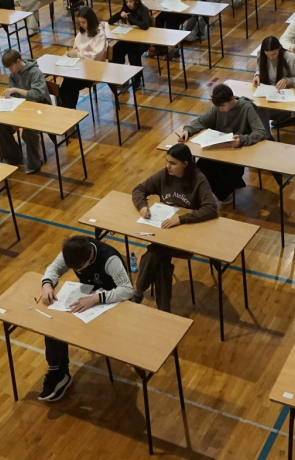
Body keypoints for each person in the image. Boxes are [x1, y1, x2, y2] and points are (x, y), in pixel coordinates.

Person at [37, 235, 134, 401]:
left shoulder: (109, 259)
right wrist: (46, 284)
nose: (78, 271)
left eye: (80, 267)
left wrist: (96, 298)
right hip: (88, 299)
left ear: (90, 255)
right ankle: (58, 371)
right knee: (54, 323)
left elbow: (127, 290)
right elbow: (54, 268)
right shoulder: (72, 250)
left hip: (111, 302)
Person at [130, 143, 220, 310]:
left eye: (173, 163)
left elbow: (211, 208)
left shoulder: (198, 179)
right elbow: (139, 189)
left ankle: (138, 290)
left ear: (185, 164)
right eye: (167, 161)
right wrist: (142, 206)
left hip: (187, 238)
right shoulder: (164, 175)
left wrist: (182, 219)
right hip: (164, 234)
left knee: (154, 253)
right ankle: (164, 310)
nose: (168, 166)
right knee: (161, 263)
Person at [178, 84, 270, 203]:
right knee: (199, 167)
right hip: (220, 148)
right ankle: (226, 193)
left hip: (238, 152)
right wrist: (188, 130)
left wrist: (242, 140)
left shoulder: (246, 108)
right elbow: (202, 121)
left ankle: (231, 189)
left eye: (222, 106)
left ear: (231, 99)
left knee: (221, 169)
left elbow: (260, 131)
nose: (220, 109)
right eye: (218, 106)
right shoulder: (217, 107)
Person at [0, 49, 51, 174]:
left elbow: (37, 95)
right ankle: (12, 156)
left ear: (18, 61)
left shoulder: (35, 72)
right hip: (22, 109)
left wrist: (16, 90)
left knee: (28, 131)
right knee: (0, 124)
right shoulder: (13, 74)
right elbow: (13, 95)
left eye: (11, 67)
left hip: (39, 109)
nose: (10, 70)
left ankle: (35, 162)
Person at [57, 6, 108, 110]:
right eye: (80, 22)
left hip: (94, 70)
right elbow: (76, 48)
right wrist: (71, 54)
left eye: (84, 22)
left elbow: (95, 56)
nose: (81, 25)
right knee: (66, 83)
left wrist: (78, 54)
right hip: (80, 67)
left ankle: (69, 110)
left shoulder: (100, 35)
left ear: (91, 21)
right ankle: (66, 109)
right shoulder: (82, 33)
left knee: (70, 85)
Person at [252, 35, 295, 129]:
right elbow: (258, 69)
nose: (271, 58)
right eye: (268, 55)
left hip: (283, 97)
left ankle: (265, 134)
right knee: (252, 108)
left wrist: (287, 80)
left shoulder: (290, 58)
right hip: (267, 94)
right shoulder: (261, 54)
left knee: (260, 112)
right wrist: (257, 75)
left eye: (274, 54)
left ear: (279, 48)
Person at [108, 0, 152, 91]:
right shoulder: (126, 8)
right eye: (127, 2)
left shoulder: (143, 10)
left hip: (142, 41)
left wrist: (130, 19)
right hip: (129, 39)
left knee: (133, 53)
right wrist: (120, 14)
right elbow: (110, 21)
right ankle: (120, 75)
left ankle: (137, 79)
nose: (128, 4)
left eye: (130, 1)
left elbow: (145, 25)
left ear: (136, 0)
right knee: (115, 49)